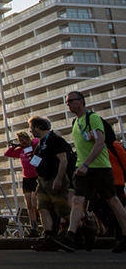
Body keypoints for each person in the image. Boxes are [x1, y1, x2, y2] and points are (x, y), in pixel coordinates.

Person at [52, 92, 126, 253]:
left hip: (99, 167)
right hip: (83, 168)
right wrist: (80, 165)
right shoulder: (75, 122)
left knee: (113, 201)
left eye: (71, 101)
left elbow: (100, 143)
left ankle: (125, 236)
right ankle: (72, 236)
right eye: (66, 102)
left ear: (81, 101)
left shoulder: (92, 118)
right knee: (78, 200)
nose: (68, 104)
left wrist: (86, 164)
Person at [26, 116, 71, 252]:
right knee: (43, 208)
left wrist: (58, 179)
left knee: (61, 209)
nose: (30, 131)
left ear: (38, 127)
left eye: (31, 128)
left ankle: (82, 229)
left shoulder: (55, 140)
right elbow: (39, 161)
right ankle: (49, 237)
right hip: (43, 180)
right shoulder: (41, 144)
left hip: (54, 178)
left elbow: (63, 160)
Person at [5, 131, 40, 238]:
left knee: (35, 204)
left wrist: (30, 142)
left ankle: (40, 223)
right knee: (29, 205)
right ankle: (33, 227)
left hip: (35, 177)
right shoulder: (21, 150)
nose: (22, 142)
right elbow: (8, 153)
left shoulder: (34, 147)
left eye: (23, 140)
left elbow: (36, 141)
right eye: (20, 141)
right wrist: (15, 146)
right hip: (26, 178)